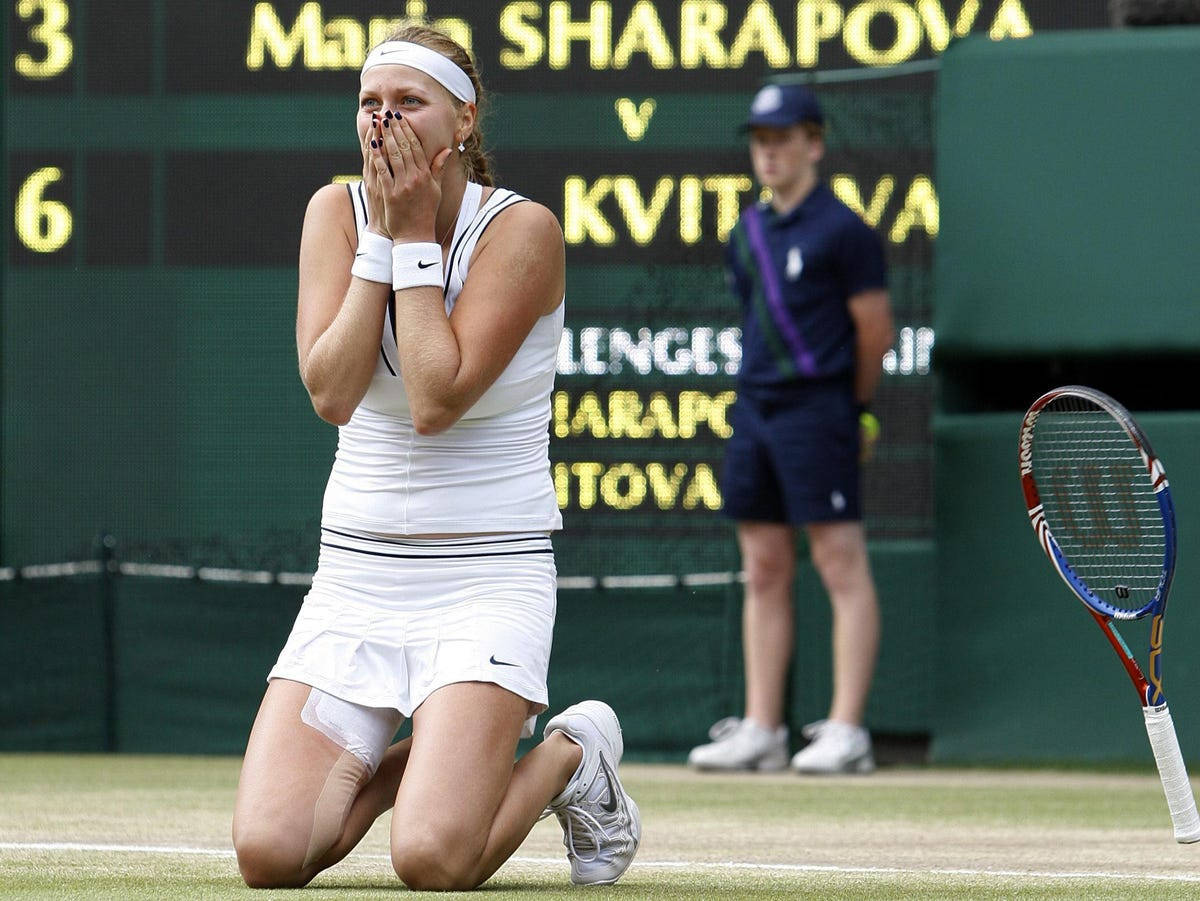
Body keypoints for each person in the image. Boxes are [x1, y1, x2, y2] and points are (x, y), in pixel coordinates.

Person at [231, 25, 639, 890]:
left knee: (431, 860)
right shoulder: (331, 215)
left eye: (408, 103)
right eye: (369, 105)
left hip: (487, 581)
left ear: (463, 118)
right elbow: (332, 393)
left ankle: (573, 751)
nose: (384, 122)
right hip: (354, 579)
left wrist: (412, 232)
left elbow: (434, 397)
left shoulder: (524, 230)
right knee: (270, 853)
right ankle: (432, 761)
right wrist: (380, 239)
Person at [688, 82, 894, 775]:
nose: (769, 152)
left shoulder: (845, 231)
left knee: (839, 562)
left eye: (783, 138)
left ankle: (845, 728)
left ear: (815, 144)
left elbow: (873, 331)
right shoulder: (745, 233)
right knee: (764, 567)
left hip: (821, 410)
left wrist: (851, 407)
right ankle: (763, 727)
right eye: (760, 139)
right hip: (754, 410)